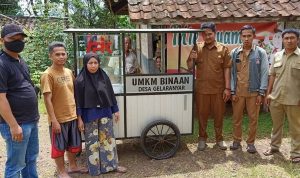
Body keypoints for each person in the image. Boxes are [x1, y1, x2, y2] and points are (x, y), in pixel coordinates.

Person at [74, 52, 127, 176]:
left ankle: (110, 166)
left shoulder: (104, 76)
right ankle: (95, 169)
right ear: (85, 64)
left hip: (105, 112)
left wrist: (116, 110)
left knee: (107, 140)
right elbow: (78, 101)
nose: (93, 66)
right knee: (92, 142)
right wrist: (79, 118)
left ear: (99, 63)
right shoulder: (80, 80)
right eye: (90, 63)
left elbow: (110, 94)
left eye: (95, 63)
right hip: (89, 115)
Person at [40, 42, 87, 178]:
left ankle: (72, 166)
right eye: (57, 54)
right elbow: (47, 100)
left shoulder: (68, 72)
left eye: (63, 54)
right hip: (58, 119)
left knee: (73, 144)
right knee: (59, 147)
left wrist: (79, 117)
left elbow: (74, 94)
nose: (61, 57)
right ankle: (61, 171)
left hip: (72, 116)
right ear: (51, 56)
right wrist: (54, 121)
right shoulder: (47, 75)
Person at [0, 24, 39, 178]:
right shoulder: (2, 64)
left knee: (30, 159)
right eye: (12, 38)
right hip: (17, 123)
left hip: (30, 120)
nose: (17, 41)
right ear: (2, 40)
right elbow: (0, 98)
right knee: (15, 165)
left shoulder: (20, 61)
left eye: (20, 38)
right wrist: (14, 125)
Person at [187, 22, 231, 151]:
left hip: (218, 90)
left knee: (219, 115)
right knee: (202, 115)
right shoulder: (197, 48)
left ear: (214, 33)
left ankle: (219, 139)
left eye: (210, 34)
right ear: (202, 35)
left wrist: (227, 88)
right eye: (205, 34)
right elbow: (190, 66)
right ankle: (202, 138)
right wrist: (191, 58)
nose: (207, 37)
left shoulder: (223, 49)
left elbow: (227, 69)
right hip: (202, 90)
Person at [230, 25, 269, 153]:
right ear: (240, 37)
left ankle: (251, 143)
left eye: (249, 36)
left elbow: (264, 73)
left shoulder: (260, 53)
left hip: (254, 92)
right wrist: (232, 91)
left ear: (254, 36)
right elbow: (231, 73)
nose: (246, 38)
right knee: (237, 118)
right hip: (238, 92)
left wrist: (261, 92)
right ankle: (236, 140)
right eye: (244, 36)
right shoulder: (235, 53)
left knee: (253, 119)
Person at [263, 29, 300, 163]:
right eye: (286, 38)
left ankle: (296, 153)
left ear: (298, 39)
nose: (289, 40)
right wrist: (268, 93)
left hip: (294, 99)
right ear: (283, 40)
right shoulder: (277, 56)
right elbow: (272, 75)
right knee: (276, 125)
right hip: (276, 97)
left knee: (295, 127)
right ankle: (274, 147)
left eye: (292, 38)